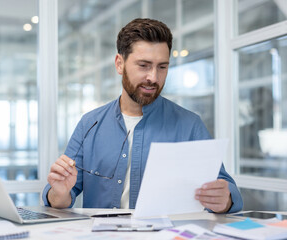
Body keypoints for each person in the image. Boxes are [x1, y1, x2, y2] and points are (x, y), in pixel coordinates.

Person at [42, 18, 243, 213]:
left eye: (162, 67)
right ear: (119, 64)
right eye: (144, 65)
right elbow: (62, 197)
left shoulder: (190, 125)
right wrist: (59, 193)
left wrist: (223, 199)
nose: (153, 78)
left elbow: (226, 194)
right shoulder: (89, 124)